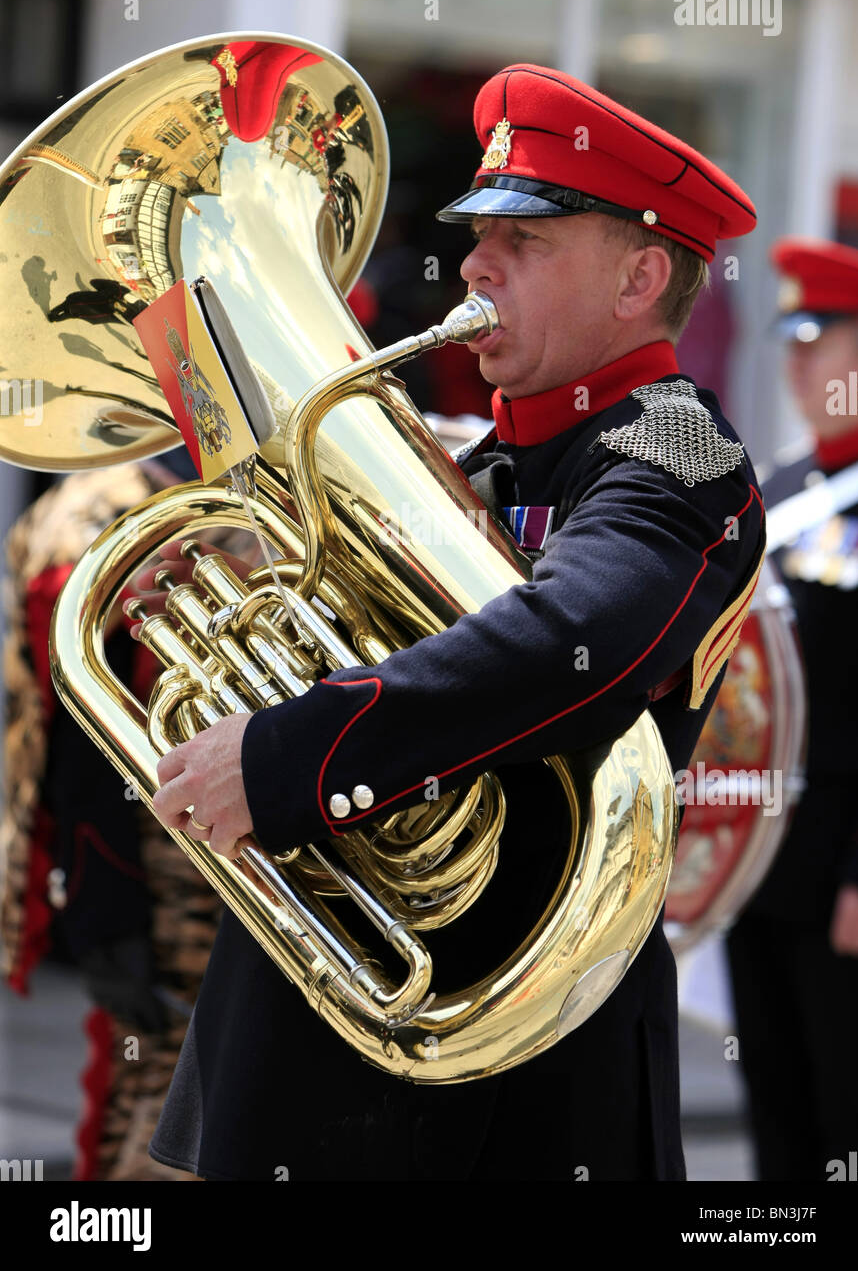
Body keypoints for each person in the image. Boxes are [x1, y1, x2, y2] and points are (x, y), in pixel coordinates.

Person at [129, 63, 765, 1182]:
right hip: (315, 1046)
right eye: (477, 236)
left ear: (638, 278)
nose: (474, 262)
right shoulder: (476, 459)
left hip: (502, 1089)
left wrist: (290, 751)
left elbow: (579, 634)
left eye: (526, 242)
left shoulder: (676, 451)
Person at [0, 449, 224, 1180]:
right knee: (166, 1128)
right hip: (174, 896)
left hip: (206, 875)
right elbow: (83, 749)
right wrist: (107, 920)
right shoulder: (95, 523)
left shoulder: (90, 505)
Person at [725, 237, 858, 1181]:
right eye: (794, 341)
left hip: (847, 871)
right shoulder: (780, 489)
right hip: (758, 853)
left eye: (823, 339)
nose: (800, 361)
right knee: (774, 1111)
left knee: (850, 1115)